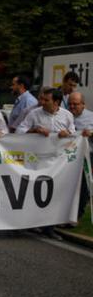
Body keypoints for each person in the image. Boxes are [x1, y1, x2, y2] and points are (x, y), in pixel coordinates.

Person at [67, 91, 93, 226]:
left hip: (86, 156)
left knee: (83, 187)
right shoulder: (65, 116)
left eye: (75, 104)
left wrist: (91, 134)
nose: (72, 107)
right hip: (67, 158)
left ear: (83, 105)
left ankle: (76, 215)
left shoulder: (91, 118)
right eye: (70, 104)